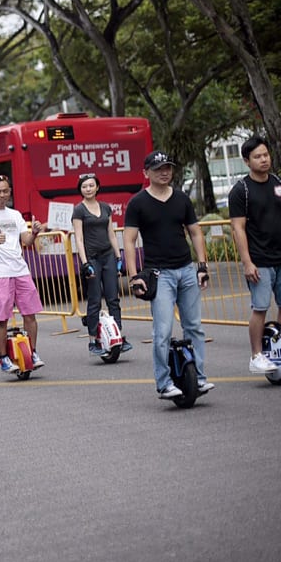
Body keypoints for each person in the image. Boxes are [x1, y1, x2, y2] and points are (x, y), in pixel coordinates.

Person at [123, 151, 215, 399]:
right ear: (146, 173)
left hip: (186, 270)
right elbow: (129, 241)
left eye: (168, 167)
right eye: (158, 168)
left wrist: (202, 266)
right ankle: (164, 383)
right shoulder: (137, 203)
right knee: (162, 331)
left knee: (194, 327)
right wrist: (134, 277)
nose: (164, 172)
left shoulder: (182, 199)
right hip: (159, 274)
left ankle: (201, 378)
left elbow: (195, 233)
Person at [228, 135, 281, 372]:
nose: (263, 160)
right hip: (259, 261)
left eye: (266, 155)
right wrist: (247, 262)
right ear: (246, 161)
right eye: (257, 157)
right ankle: (256, 356)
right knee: (260, 308)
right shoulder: (240, 190)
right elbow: (238, 228)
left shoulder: (280, 184)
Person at [0, 174, 46, 374]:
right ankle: (3, 357)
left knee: (29, 314)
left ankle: (33, 351)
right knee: (2, 318)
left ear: (9, 192)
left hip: (20, 270)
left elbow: (27, 241)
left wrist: (36, 232)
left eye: (5, 191)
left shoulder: (15, 215)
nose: (2, 195)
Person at [71, 174, 132, 355]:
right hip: (92, 258)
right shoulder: (79, 210)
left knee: (113, 298)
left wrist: (118, 256)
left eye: (91, 185)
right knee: (95, 299)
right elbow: (79, 239)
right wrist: (84, 263)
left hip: (108, 257)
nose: (88, 189)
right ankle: (93, 340)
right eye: (84, 186)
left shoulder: (105, 208)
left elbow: (111, 233)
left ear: (97, 187)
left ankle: (118, 336)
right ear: (80, 189)